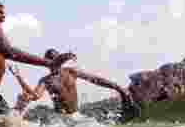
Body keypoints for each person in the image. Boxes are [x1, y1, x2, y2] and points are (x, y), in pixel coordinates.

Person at [9, 50, 139, 120]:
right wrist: (18, 77)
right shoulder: (50, 79)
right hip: (65, 118)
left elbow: (95, 79)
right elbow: (35, 96)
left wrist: (116, 86)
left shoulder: (68, 73)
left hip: (71, 118)